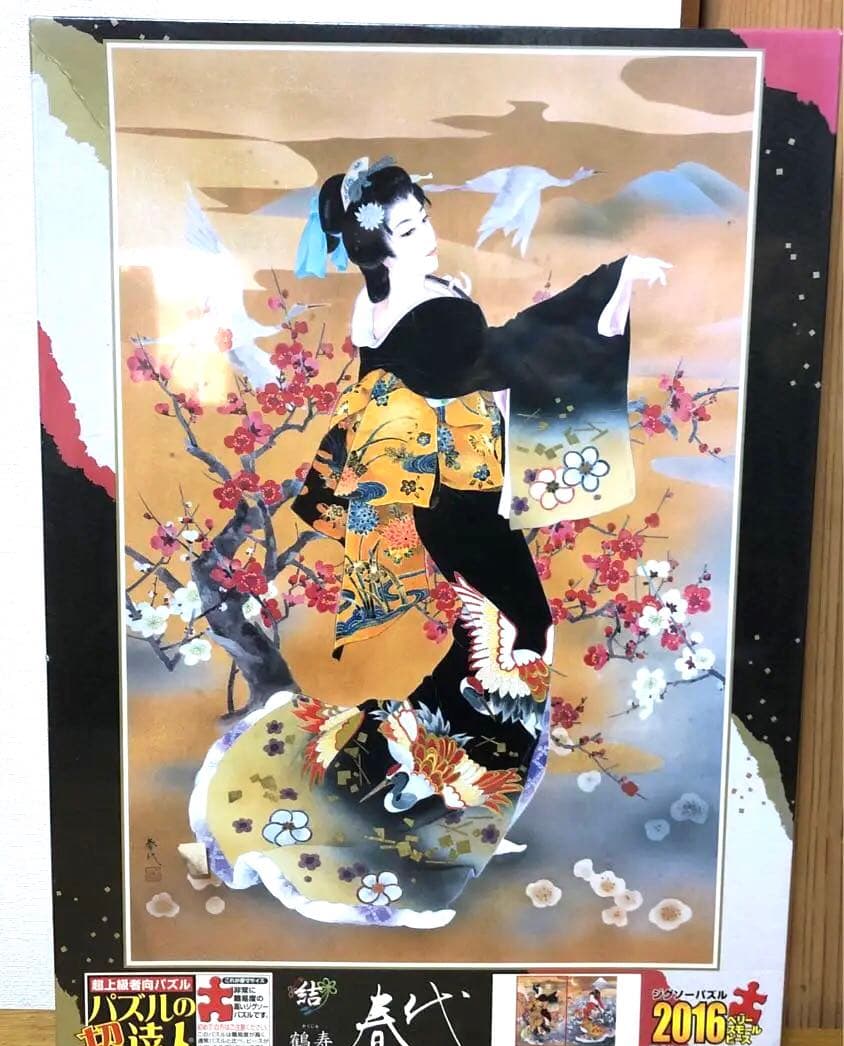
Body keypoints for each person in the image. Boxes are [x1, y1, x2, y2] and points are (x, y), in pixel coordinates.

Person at [189, 156, 670, 928]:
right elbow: (508, 356)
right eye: (409, 228)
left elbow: (437, 375)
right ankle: (432, 793)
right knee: (518, 639)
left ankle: (415, 775)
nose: (428, 236)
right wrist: (608, 288)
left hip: (445, 500)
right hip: (464, 503)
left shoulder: (378, 305)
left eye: (424, 219)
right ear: (375, 242)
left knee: (493, 642)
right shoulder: (434, 311)